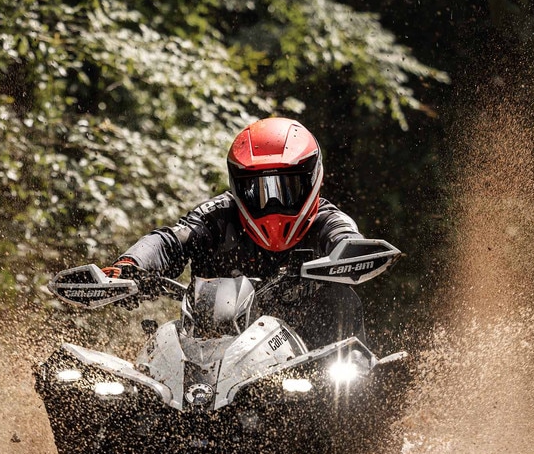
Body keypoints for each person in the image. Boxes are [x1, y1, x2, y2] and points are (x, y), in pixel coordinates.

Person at [102, 117, 366, 346]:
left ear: (312, 178)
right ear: (237, 186)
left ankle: (359, 390)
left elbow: (346, 238)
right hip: (212, 355)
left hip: (312, 362)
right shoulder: (217, 216)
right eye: (257, 190)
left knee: (342, 299)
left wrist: (352, 253)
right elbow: (172, 240)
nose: (271, 203)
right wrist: (131, 264)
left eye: (285, 188)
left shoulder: (328, 220)